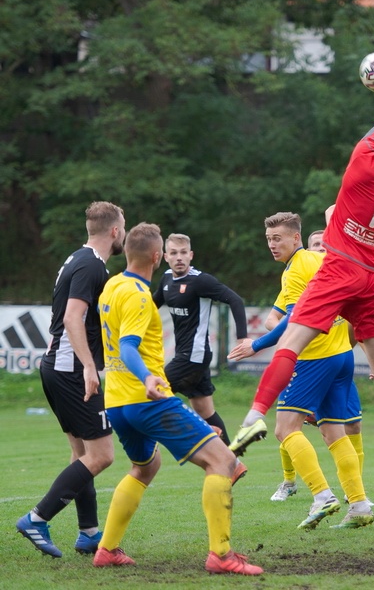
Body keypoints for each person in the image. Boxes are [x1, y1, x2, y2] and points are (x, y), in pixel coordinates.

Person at [229, 95, 374, 453]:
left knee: (291, 344)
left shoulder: (361, 163)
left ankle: (253, 415)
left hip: (339, 268)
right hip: (372, 276)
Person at [92, 222, 262, 575]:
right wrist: (149, 378)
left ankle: (106, 549)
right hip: (148, 399)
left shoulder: (113, 285)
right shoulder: (140, 295)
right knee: (223, 462)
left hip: (117, 402)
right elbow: (127, 346)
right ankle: (221, 555)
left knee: (146, 466)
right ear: (159, 257)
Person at [228, 213, 371, 527]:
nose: (272, 245)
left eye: (278, 238)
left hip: (315, 359)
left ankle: (322, 497)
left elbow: (295, 321)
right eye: (269, 239)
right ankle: (359, 504)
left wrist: (256, 344)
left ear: (296, 238)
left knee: (284, 429)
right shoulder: (318, 261)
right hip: (341, 356)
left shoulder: (294, 272)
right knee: (334, 431)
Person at [16, 201, 125, 558]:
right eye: (122, 228)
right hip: (70, 372)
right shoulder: (92, 266)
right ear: (114, 231)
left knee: (81, 454)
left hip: (57, 367)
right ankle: (36, 518)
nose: (123, 233)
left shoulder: (76, 259)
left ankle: (89, 532)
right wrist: (90, 368)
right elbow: (72, 318)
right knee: (102, 455)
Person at [152, 233, 249, 484]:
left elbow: (235, 300)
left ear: (191, 255)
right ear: (165, 257)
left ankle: (201, 437)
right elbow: (151, 308)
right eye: (173, 253)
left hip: (194, 357)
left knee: (154, 392)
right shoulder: (165, 281)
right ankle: (233, 464)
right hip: (189, 356)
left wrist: (242, 338)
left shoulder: (200, 281)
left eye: (184, 252)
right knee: (204, 409)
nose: (179, 257)